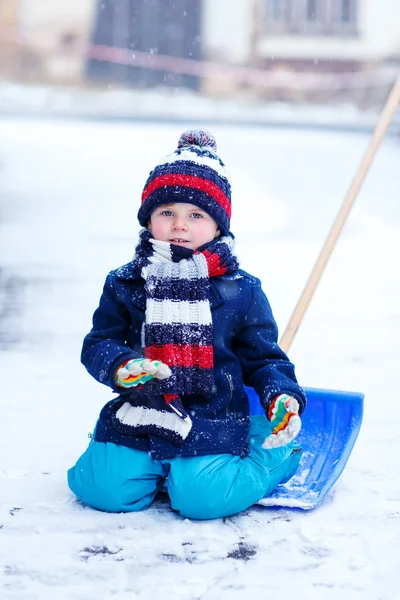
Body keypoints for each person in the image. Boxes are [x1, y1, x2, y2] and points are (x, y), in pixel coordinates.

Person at [68, 129, 306, 520]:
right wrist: (122, 366)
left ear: (218, 227)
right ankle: (157, 468)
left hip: (213, 416)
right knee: (99, 489)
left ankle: (277, 453)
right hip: (141, 411)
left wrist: (280, 395)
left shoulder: (240, 290)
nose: (180, 225)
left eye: (196, 214)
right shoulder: (126, 282)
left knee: (202, 500)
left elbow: (264, 360)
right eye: (167, 213)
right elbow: (98, 343)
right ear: (149, 220)